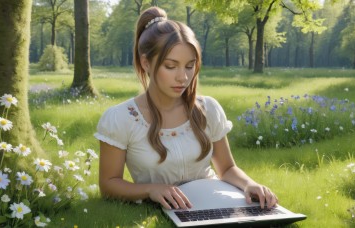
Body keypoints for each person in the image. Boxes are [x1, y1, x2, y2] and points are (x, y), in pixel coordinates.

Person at [95, 6, 278, 211]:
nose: (183, 77)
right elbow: (109, 184)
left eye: (190, 66)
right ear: (145, 63)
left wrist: (249, 184)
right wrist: (151, 190)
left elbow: (226, 168)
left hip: (216, 202)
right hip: (164, 209)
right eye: (171, 66)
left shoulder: (209, 109)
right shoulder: (121, 118)